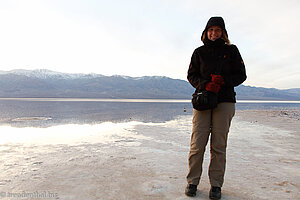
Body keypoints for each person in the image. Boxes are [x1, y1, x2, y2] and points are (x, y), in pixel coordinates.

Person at [185, 16, 247, 199]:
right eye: (211, 30)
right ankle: (192, 182)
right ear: (206, 32)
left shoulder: (232, 51)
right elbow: (191, 75)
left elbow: (241, 75)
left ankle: (216, 186)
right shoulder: (199, 52)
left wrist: (225, 82)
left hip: (225, 101)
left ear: (223, 33)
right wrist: (205, 84)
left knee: (218, 146)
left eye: (218, 30)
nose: (214, 33)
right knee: (197, 145)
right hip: (203, 101)